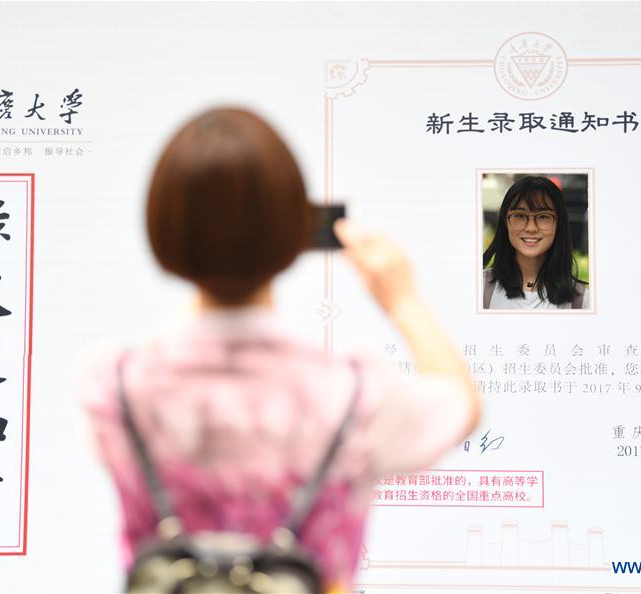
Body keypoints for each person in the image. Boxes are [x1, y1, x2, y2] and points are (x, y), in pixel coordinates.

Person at [77, 107, 481, 593]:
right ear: (295, 234)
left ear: (162, 231)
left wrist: (207, 256)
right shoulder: (353, 392)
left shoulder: (112, 386)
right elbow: (461, 406)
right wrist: (401, 299)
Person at [482, 175, 589, 310]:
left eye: (543, 216)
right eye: (520, 216)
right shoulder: (478, 288)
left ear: (558, 223)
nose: (531, 228)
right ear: (506, 222)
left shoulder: (583, 300)